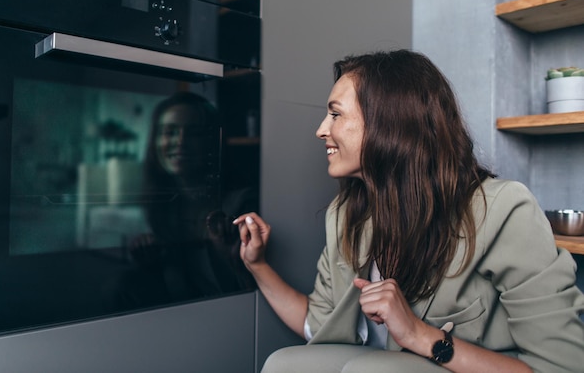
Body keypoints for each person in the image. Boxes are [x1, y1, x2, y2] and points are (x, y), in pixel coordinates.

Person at [233, 50, 584, 372]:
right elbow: (321, 322)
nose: (321, 130)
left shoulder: (503, 209)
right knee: (285, 364)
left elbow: (563, 367)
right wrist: (258, 265)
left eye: (336, 114)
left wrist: (417, 333)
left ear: (388, 123)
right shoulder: (346, 213)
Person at [112, 92, 254, 310]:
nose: (180, 142)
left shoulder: (241, 205)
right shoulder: (164, 206)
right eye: (169, 132)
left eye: (194, 133)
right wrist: (150, 262)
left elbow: (254, 294)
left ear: (212, 142)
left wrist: (232, 258)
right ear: (155, 141)